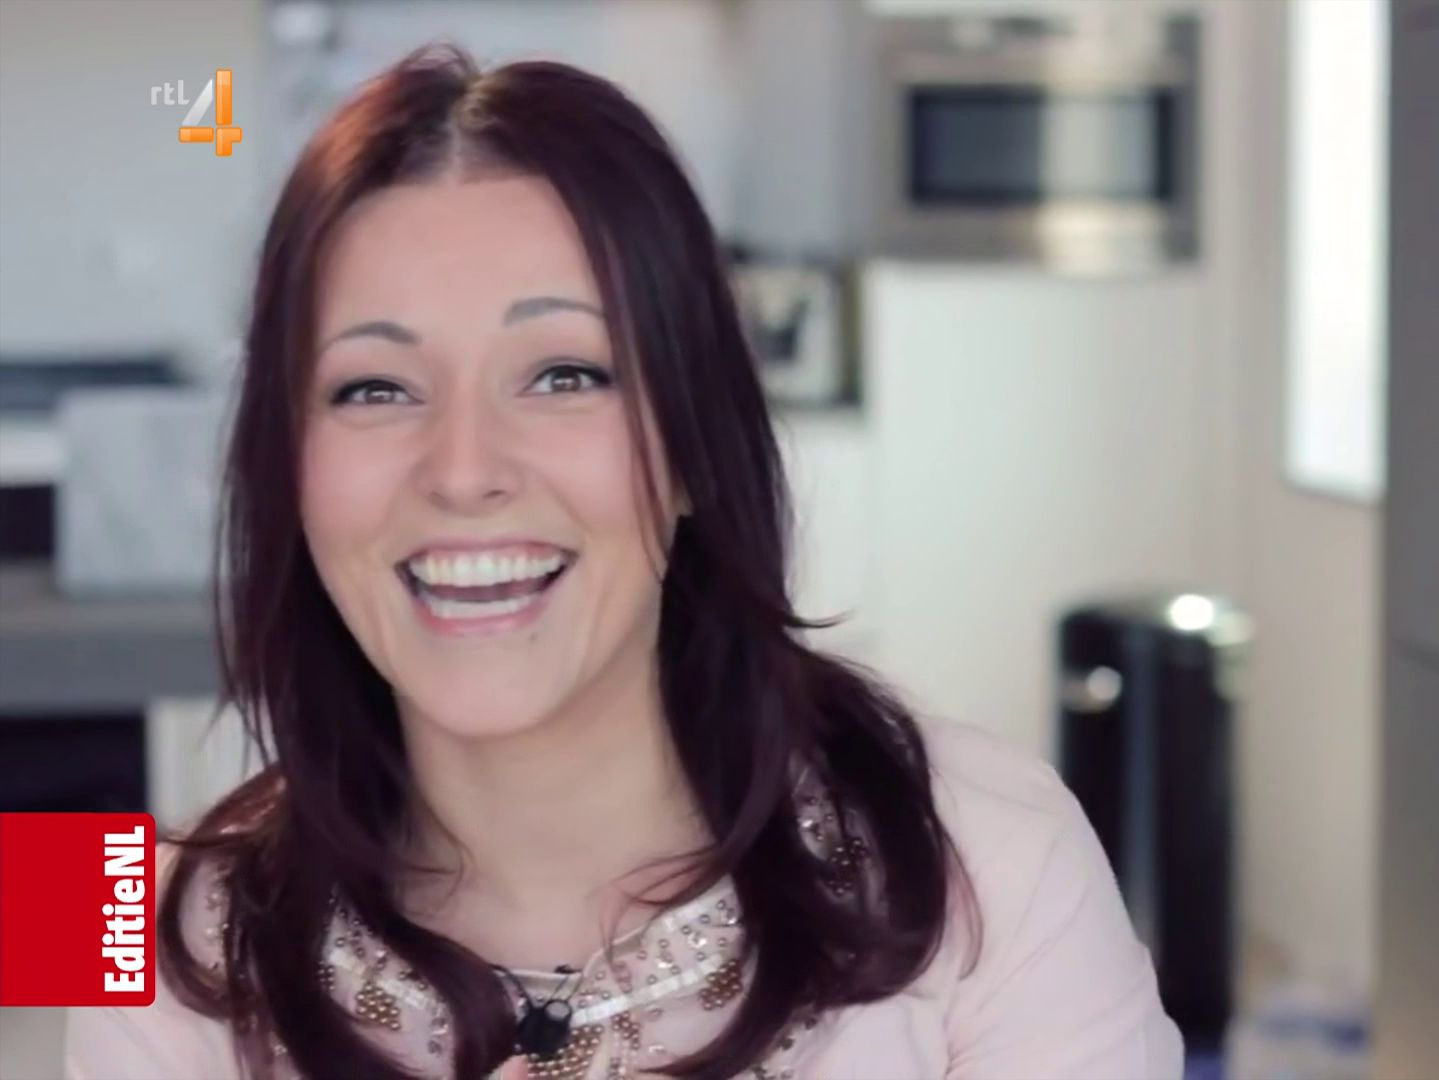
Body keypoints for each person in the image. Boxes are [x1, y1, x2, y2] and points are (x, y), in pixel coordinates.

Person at [63, 44, 1181, 1080]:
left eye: (564, 375)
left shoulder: (1000, 848)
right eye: (375, 387)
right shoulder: (114, 913)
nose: (464, 470)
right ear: (288, 467)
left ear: (693, 444)